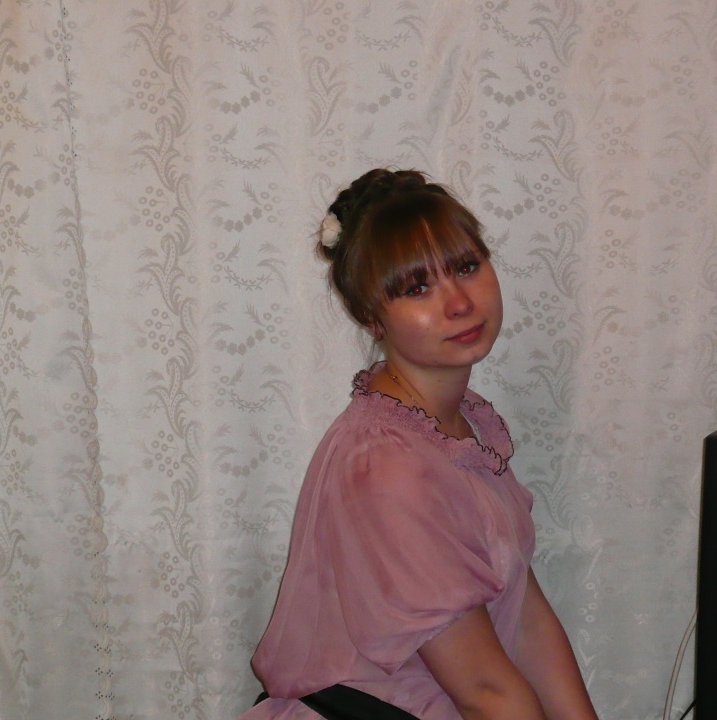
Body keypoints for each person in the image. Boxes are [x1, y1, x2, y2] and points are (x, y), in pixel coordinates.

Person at [241, 169, 599, 720]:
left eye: (465, 267)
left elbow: (526, 619)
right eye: (416, 288)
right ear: (371, 317)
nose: (458, 303)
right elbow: (486, 692)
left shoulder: (457, 429)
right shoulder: (387, 464)